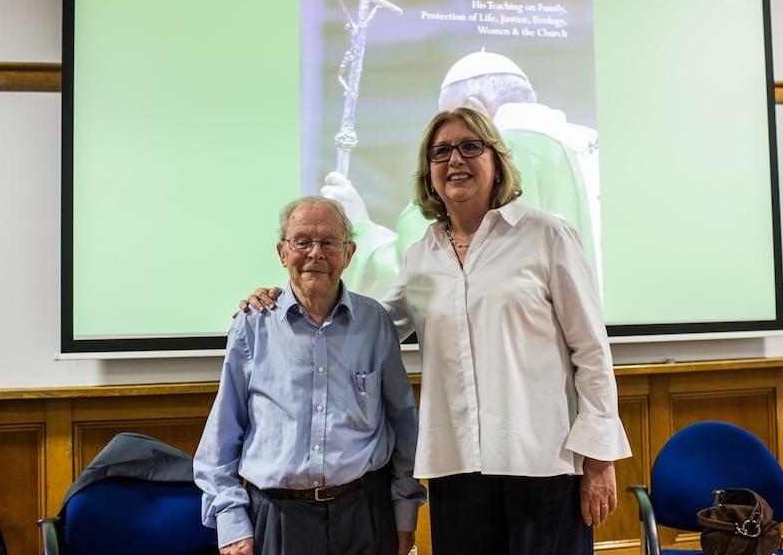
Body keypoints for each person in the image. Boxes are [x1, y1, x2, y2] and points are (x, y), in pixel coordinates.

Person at [248, 108, 631, 554]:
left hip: (544, 463)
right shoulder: (421, 255)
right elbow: (365, 321)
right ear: (429, 174)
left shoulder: (546, 235)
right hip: (457, 469)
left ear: (496, 161)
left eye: (471, 147)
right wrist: (289, 297)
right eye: (441, 152)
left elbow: (591, 351)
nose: (455, 160)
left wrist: (600, 459)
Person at [195, 196, 425, 555]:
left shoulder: (375, 323)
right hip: (277, 520)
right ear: (282, 252)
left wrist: (405, 514)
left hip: (366, 516)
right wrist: (232, 525)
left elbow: (404, 427)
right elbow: (220, 441)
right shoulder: (251, 328)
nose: (315, 253)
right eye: (302, 241)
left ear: (349, 254)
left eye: (329, 242)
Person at [325, 50, 602, 301]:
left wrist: (357, 227)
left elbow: (418, 278)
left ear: (473, 108)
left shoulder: (476, 165)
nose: (453, 155)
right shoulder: (591, 149)